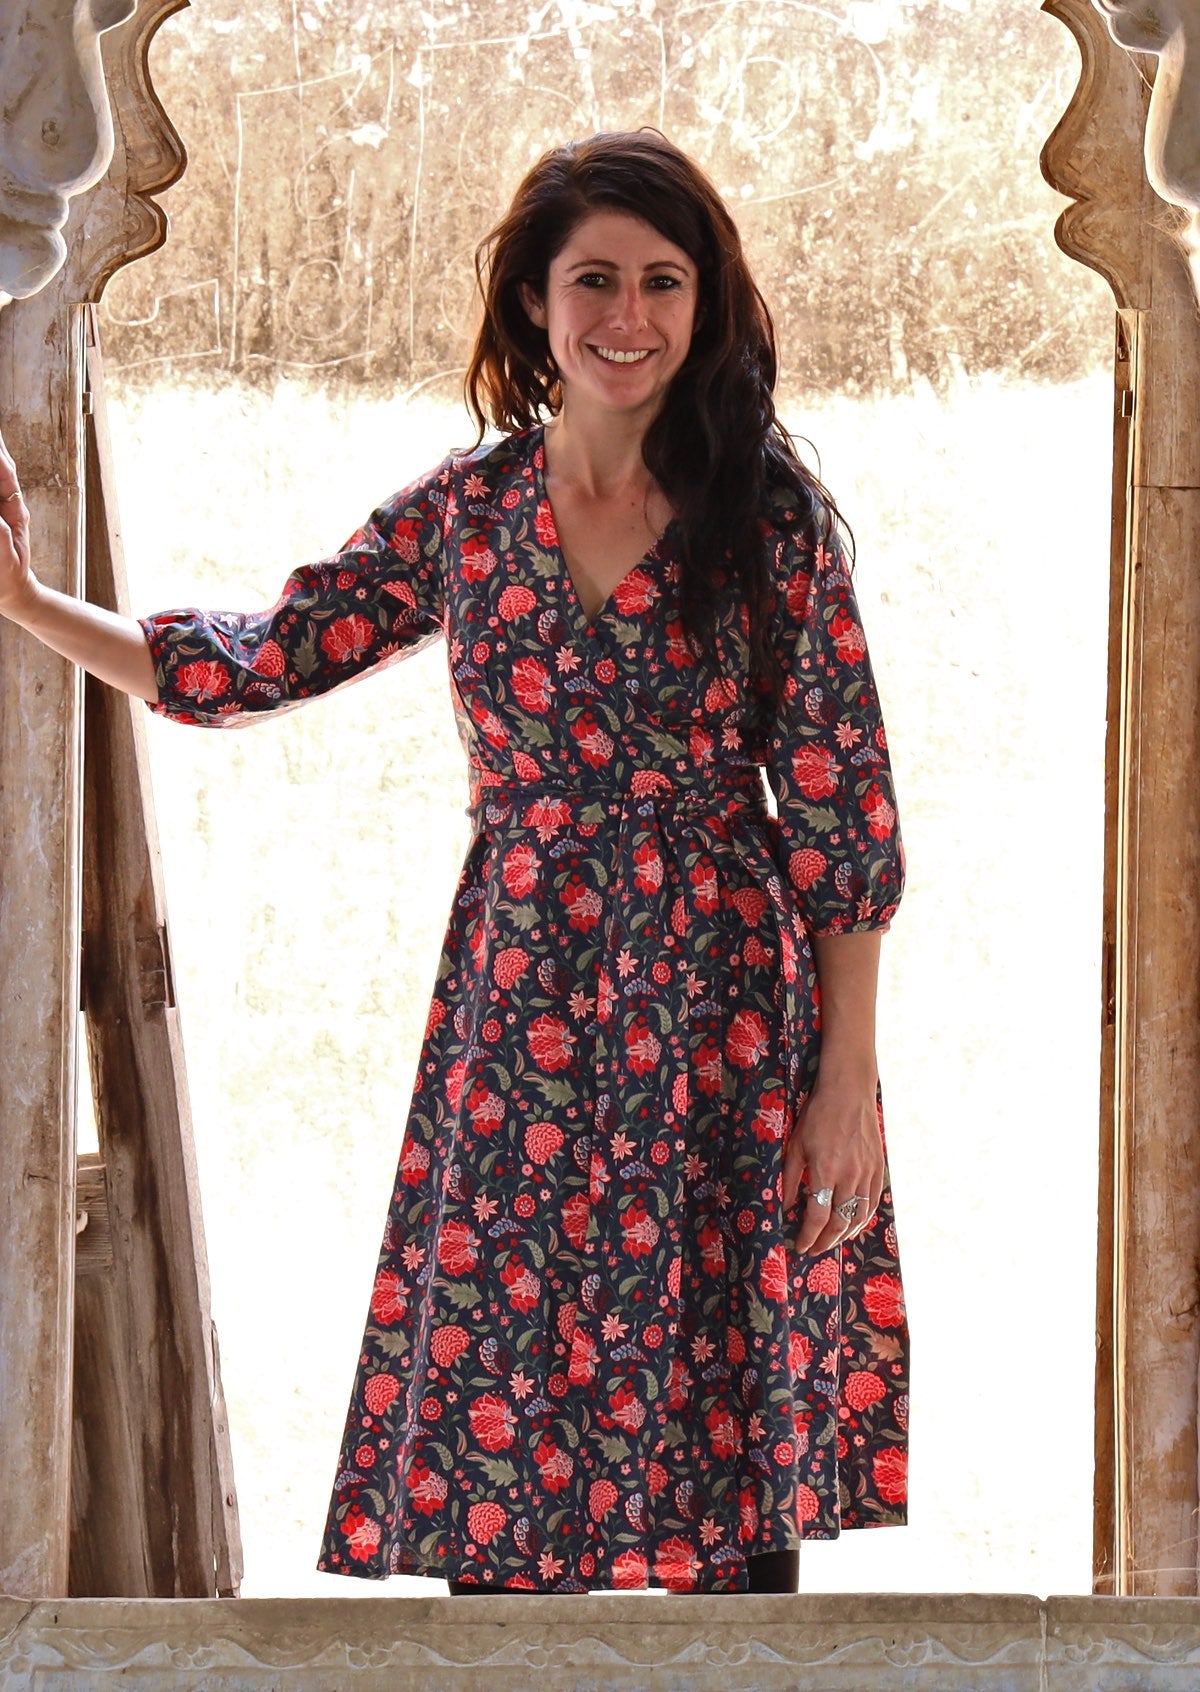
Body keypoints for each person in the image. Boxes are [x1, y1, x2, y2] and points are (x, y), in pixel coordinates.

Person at [0, 128, 907, 1596]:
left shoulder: (774, 521)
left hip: (725, 1022)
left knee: (722, 1454)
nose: (629, 317)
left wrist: (844, 1088)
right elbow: (260, 660)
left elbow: (843, 819)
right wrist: (30, 603)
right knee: (509, 1439)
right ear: (535, 307)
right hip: (525, 1019)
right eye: (593, 281)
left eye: (662, 282)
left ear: (706, 301)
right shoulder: (469, 514)